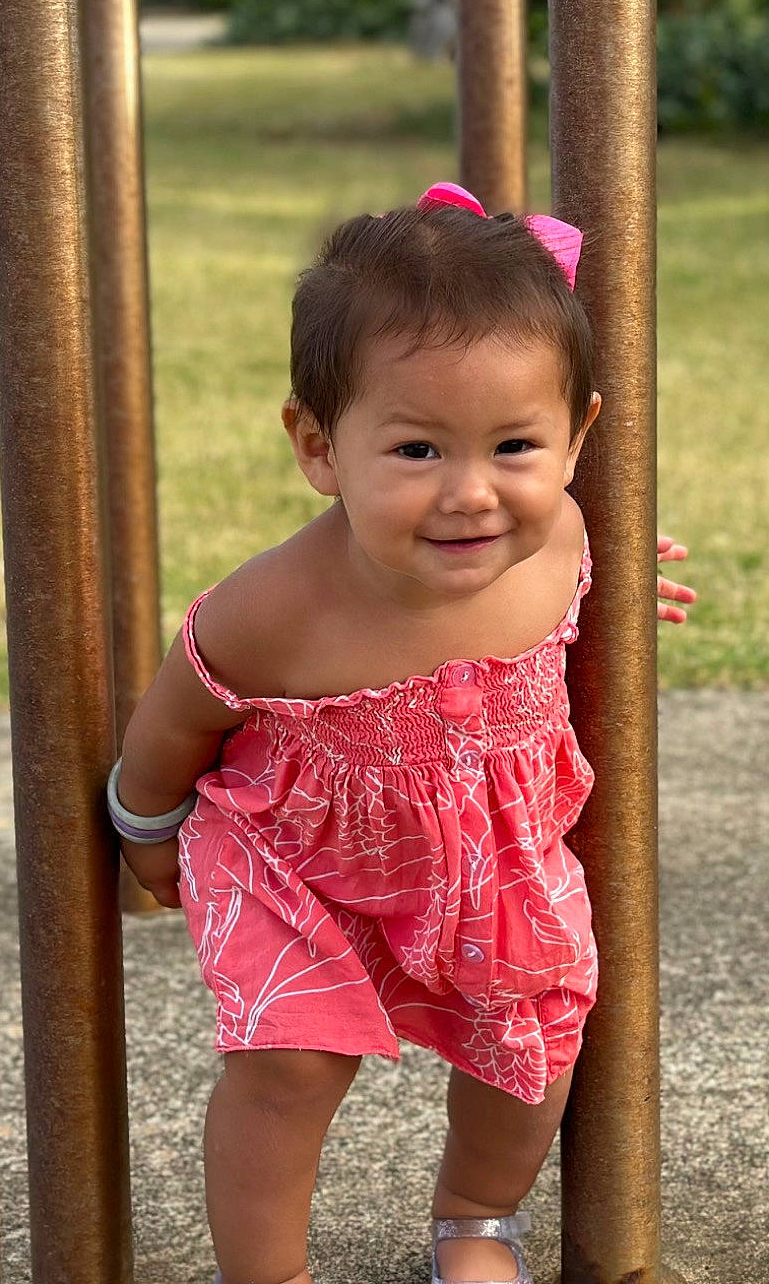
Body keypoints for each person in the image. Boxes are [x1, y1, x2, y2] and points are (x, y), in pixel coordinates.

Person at [109, 181, 696, 1284]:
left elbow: (575, 551)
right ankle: (267, 1272)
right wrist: (141, 822)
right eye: (418, 451)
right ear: (318, 445)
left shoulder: (564, 535)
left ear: (577, 437)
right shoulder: (278, 605)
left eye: (514, 445)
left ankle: (476, 1218)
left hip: (491, 859)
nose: (471, 495)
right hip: (298, 862)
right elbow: (180, 707)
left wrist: (615, 583)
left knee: (534, 1043)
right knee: (288, 1065)